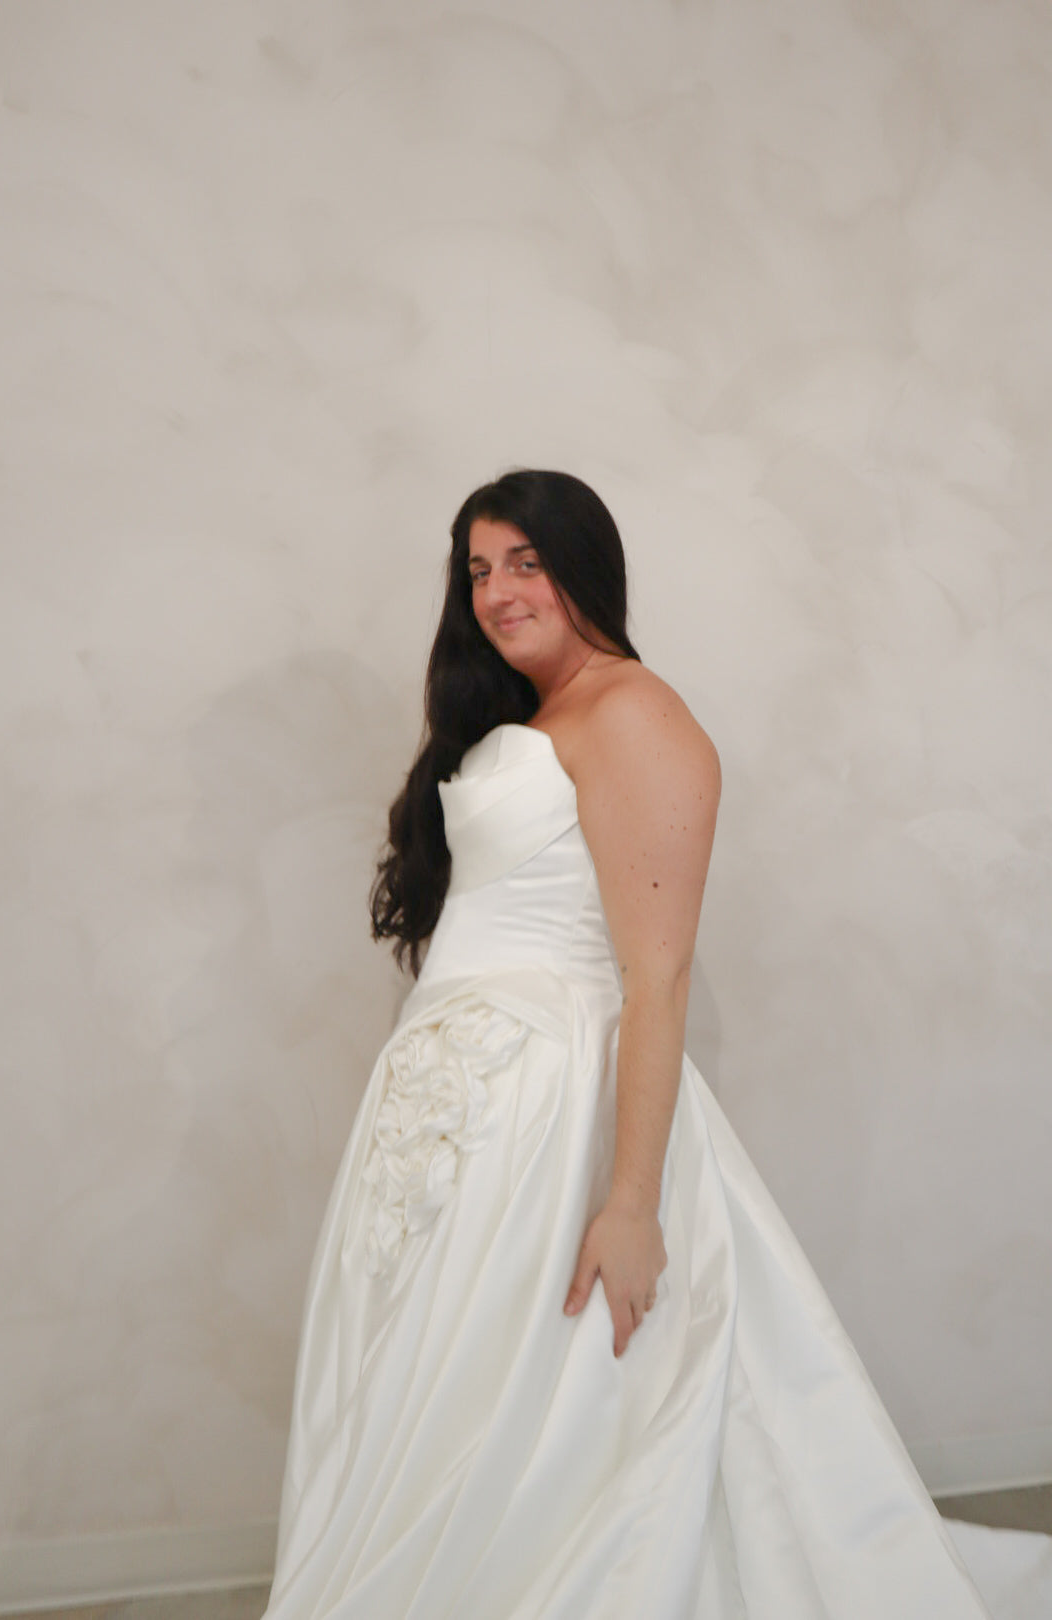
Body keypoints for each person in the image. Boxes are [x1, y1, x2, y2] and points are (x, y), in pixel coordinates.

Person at [262, 469, 995, 1618]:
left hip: (550, 1113)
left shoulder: (635, 713)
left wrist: (633, 1202)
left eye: (525, 562)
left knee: (550, 1402)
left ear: (583, 566)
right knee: (446, 1381)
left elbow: (657, 973)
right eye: (478, 571)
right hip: (453, 1116)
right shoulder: (526, 721)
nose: (497, 592)